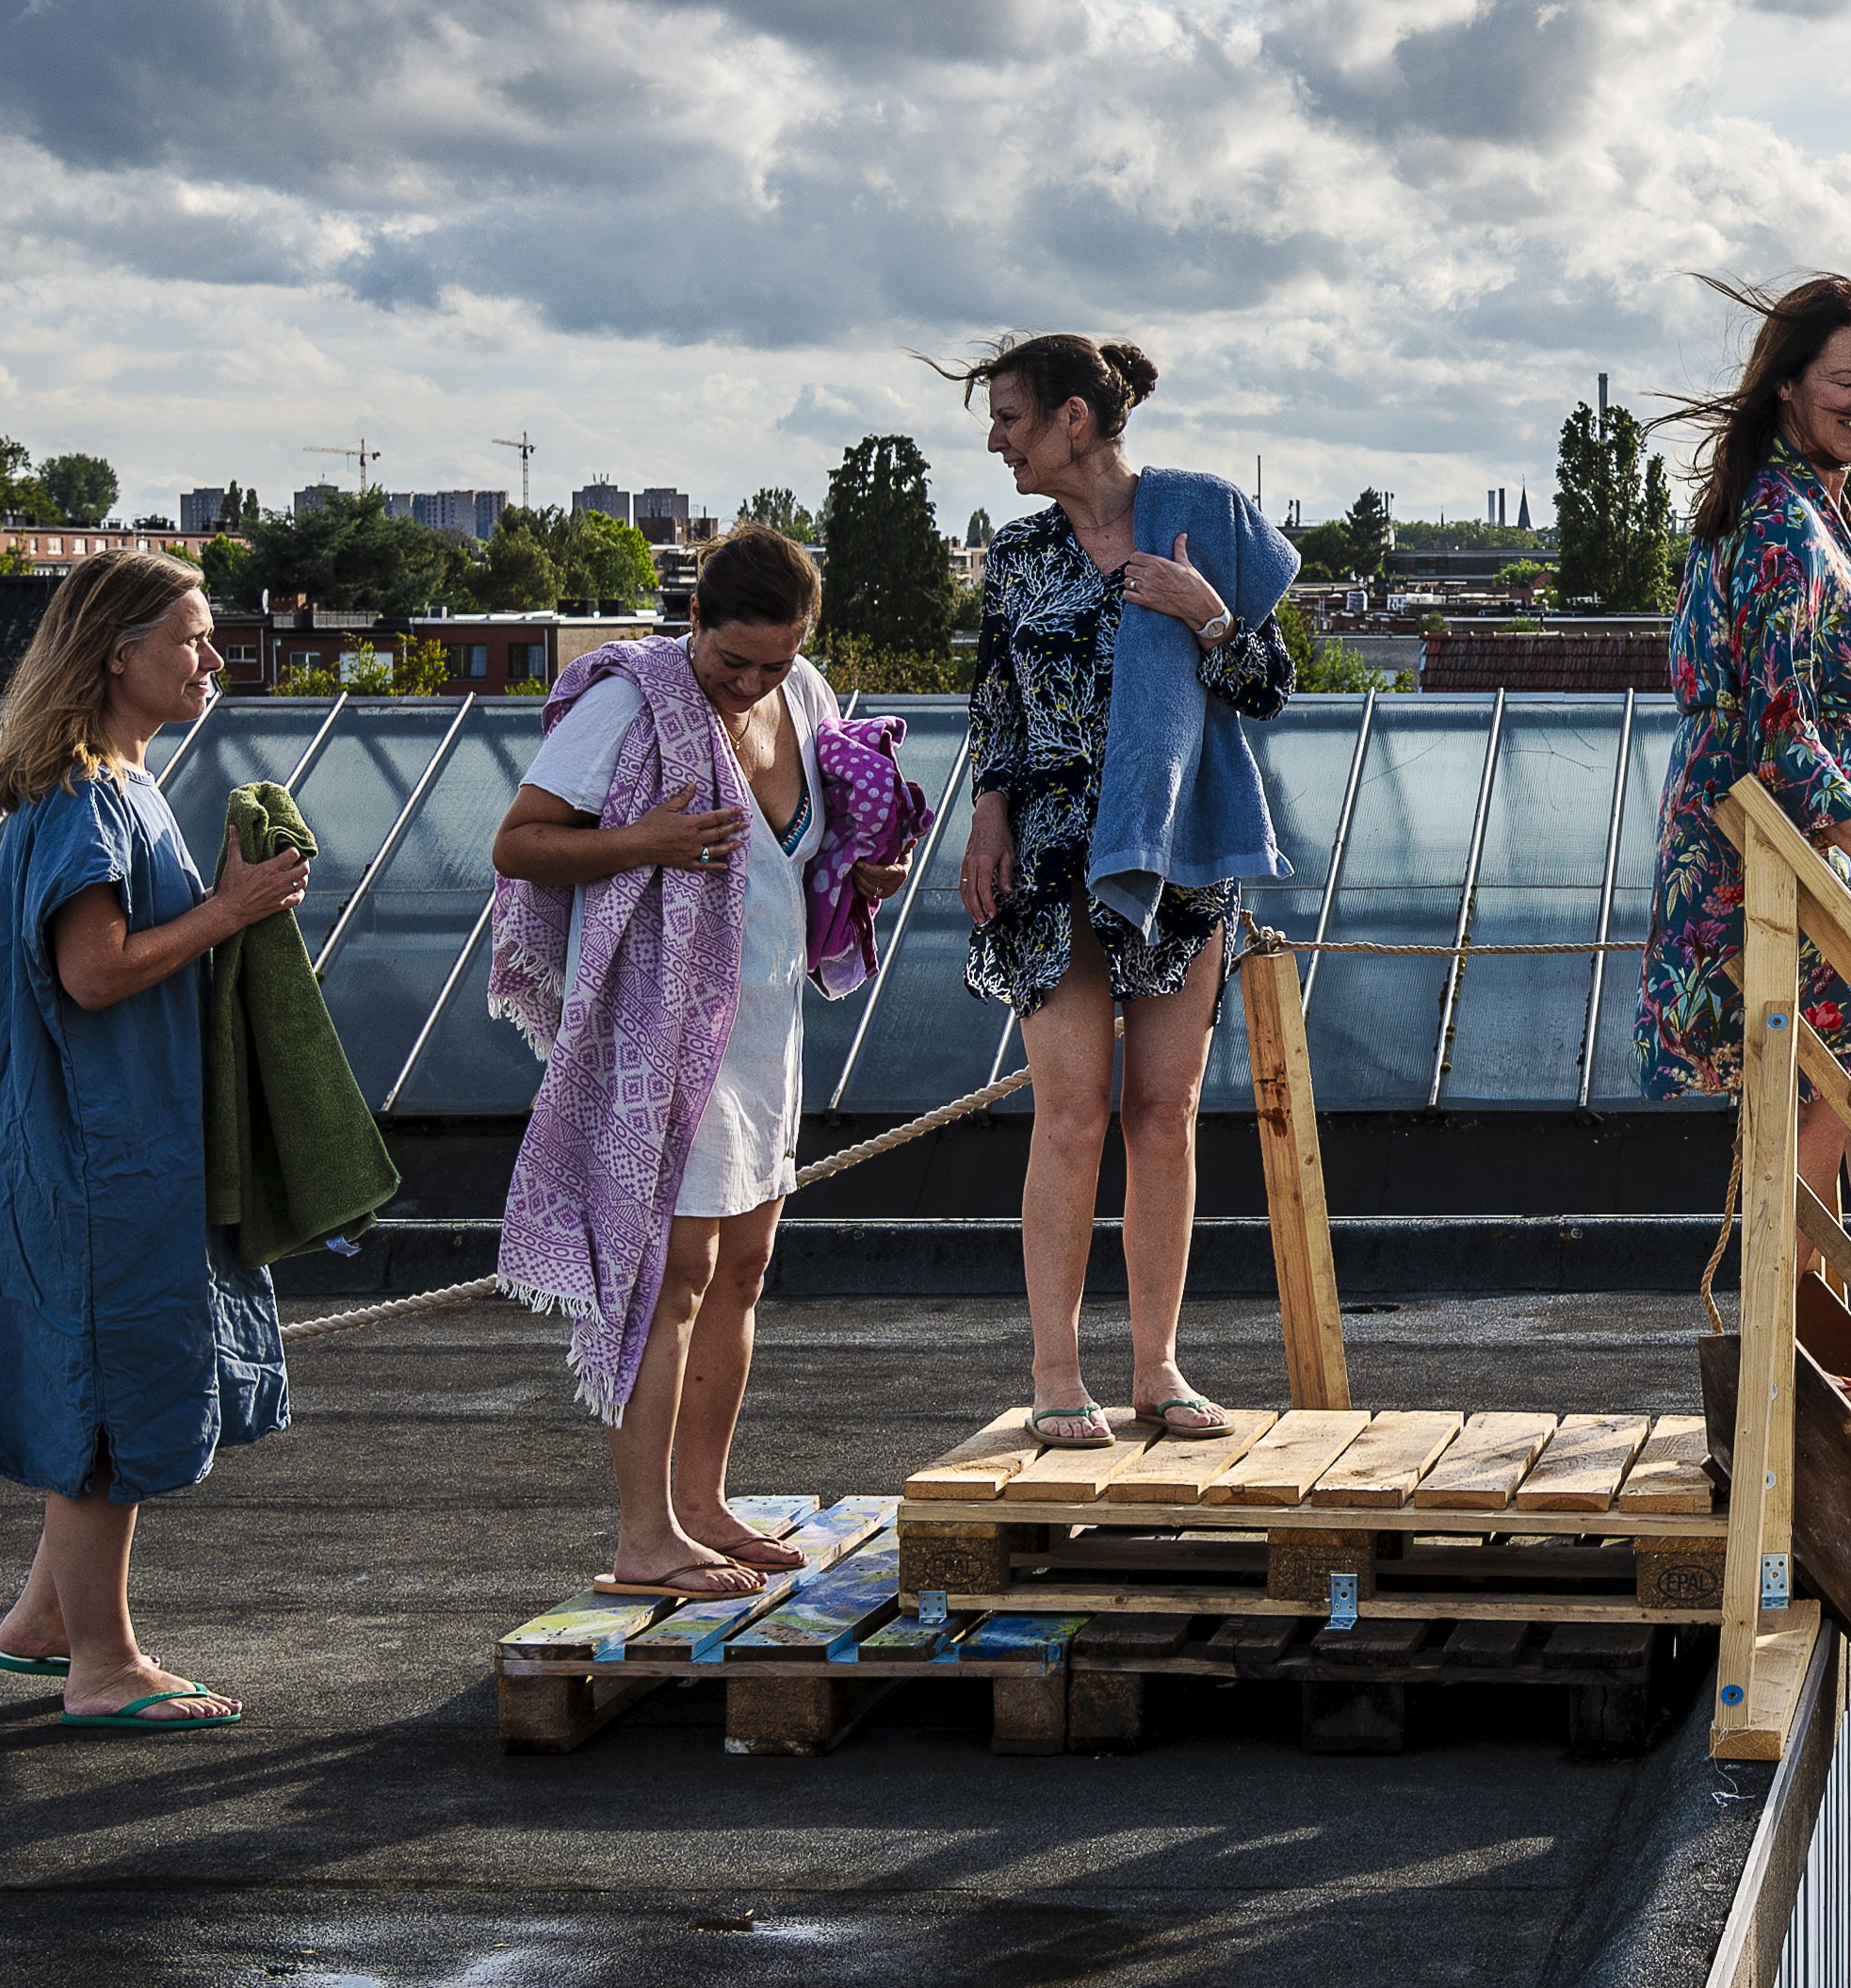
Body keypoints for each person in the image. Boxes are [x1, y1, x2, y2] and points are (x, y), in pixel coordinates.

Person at [0, 549, 315, 1730]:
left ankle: (43, 1623)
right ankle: (104, 1666)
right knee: (101, 1402)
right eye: (190, 637)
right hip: (93, 1151)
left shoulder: (112, 782)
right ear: (115, 653)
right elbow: (93, 977)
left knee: (104, 1376)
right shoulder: (88, 794)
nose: (212, 658)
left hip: (110, 1139)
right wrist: (229, 910)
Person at [488, 525, 909, 1595]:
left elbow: (797, 851)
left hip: (763, 1026)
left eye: (776, 660)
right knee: (665, 1280)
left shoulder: (802, 691)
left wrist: (861, 878)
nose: (754, 682)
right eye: (735, 662)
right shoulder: (625, 703)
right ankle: (644, 1536)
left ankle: (704, 1503)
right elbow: (520, 843)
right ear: (695, 626)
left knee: (742, 1269)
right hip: (659, 1027)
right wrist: (646, 843)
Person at [1637, 271, 1851, 1406]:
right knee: (1823, 1090)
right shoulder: (1782, 515)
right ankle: (1789, 1358)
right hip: (1766, 846)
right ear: (1788, 383)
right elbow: (1780, 723)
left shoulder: (1813, 496)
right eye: (1847, 380)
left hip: (1796, 838)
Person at [953, 333, 1297, 1449]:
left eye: (1008, 417)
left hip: (1177, 852)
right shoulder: (1016, 555)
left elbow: (1264, 691)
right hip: (1052, 860)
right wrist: (987, 815)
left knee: (1165, 1110)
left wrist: (1204, 612)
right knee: (1071, 1113)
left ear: (1072, 419)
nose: (995, 440)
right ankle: (1058, 1371)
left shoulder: (1200, 523)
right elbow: (996, 704)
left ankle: (1157, 1368)